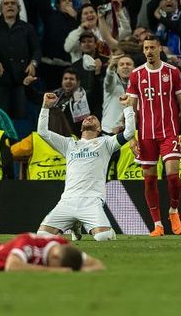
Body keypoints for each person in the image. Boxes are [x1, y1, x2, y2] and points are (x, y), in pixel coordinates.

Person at [36, 92, 135, 241]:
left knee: (103, 237)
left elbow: (129, 133)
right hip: (67, 201)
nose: (89, 118)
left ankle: (89, 226)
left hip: (91, 201)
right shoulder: (69, 144)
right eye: (86, 118)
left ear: (99, 128)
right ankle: (75, 224)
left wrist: (127, 107)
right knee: (42, 237)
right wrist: (45, 107)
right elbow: (42, 132)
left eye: (94, 118)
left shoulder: (106, 143)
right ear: (81, 127)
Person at [126, 35, 181, 237]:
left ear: (160, 48)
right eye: (146, 48)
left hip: (169, 131)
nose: (149, 51)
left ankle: (174, 210)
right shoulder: (136, 74)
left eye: (153, 47)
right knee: (149, 180)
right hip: (145, 134)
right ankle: (158, 225)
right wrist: (131, 136)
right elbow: (131, 108)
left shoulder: (172, 72)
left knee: (173, 177)